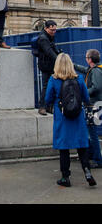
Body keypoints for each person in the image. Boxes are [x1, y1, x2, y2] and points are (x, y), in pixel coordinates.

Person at [45, 53, 96, 187]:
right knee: (82, 145)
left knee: (64, 147)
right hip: (77, 115)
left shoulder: (53, 79)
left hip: (62, 116)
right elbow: (86, 97)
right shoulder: (79, 79)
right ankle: (87, 172)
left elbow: (47, 99)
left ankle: (65, 177)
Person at [74, 49, 102, 168]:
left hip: (94, 105)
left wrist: (83, 93)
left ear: (90, 59)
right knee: (91, 132)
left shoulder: (96, 71)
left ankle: (98, 159)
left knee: (92, 132)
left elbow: (96, 87)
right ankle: (92, 155)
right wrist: (73, 65)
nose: (85, 59)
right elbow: (84, 70)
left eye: (86, 57)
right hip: (94, 104)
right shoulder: (93, 69)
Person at [37, 20, 61, 116]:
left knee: (52, 86)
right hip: (46, 65)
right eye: (51, 30)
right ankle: (42, 106)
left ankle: (49, 106)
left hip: (51, 64)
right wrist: (59, 60)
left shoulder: (49, 36)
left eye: (55, 30)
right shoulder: (43, 38)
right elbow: (48, 51)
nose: (53, 32)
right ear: (46, 28)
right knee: (46, 86)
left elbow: (53, 49)